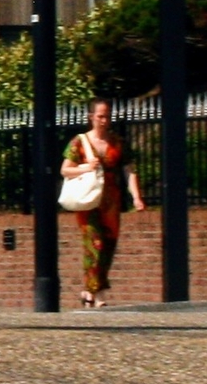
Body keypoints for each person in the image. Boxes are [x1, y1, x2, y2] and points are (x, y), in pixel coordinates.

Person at [62, 97, 147, 308]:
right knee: (94, 243)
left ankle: (89, 289)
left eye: (107, 116)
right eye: (100, 116)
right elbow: (65, 169)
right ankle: (97, 291)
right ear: (91, 117)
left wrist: (136, 196)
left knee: (109, 243)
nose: (104, 120)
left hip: (111, 200)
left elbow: (129, 171)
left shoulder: (117, 143)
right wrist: (85, 167)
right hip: (89, 199)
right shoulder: (79, 142)